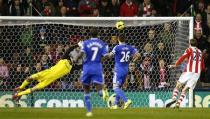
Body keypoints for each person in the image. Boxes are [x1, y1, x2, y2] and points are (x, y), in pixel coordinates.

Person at [12, 44, 81, 102]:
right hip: (46, 73)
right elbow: (68, 50)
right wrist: (77, 45)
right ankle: (20, 87)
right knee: (30, 78)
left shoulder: (71, 68)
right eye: (75, 56)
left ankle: (18, 94)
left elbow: (80, 67)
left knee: (34, 89)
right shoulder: (64, 58)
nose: (76, 57)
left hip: (48, 81)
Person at [78, 28, 109, 117]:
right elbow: (106, 56)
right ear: (98, 34)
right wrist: (99, 59)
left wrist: (76, 59)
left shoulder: (85, 43)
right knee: (98, 88)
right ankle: (103, 92)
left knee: (86, 89)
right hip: (97, 67)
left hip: (87, 67)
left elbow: (81, 54)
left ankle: (89, 112)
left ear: (90, 35)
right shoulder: (102, 43)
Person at [166, 39, 205, 108]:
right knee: (185, 89)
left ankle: (174, 98)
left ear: (190, 44)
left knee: (178, 85)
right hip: (197, 73)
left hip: (189, 71)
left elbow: (182, 57)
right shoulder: (200, 51)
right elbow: (202, 65)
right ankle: (178, 103)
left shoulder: (189, 49)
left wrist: (175, 64)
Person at [106, 35, 140, 109]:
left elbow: (110, 56)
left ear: (118, 39)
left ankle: (126, 100)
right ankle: (116, 104)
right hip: (126, 70)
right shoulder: (130, 47)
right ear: (125, 39)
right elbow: (138, 55)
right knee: (119, 87)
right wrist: (133, 61)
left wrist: (104, 54)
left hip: (118, 70)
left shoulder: (117, 47)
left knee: (115, 88)